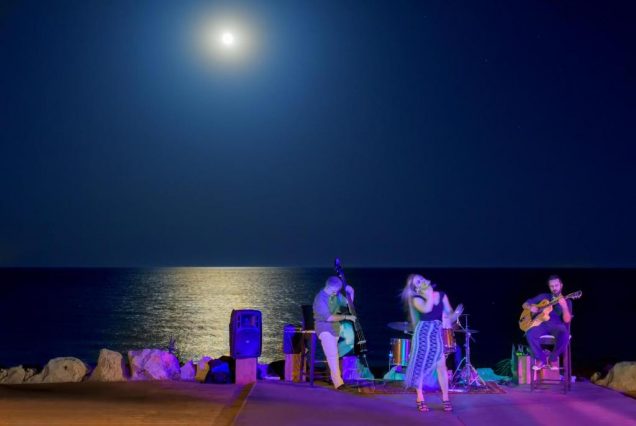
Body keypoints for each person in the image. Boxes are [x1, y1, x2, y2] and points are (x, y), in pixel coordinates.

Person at [402, 274, 463, 412]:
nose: (421, 281)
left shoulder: (442, 295)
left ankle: (446, 398)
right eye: (418, 282)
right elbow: (427, 309)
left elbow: (449, 314)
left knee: (441, 365)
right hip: (423, 334)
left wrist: (455, 314)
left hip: (436, 332)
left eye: (421, 278)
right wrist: (429, 293)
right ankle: (420, 397)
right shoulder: (416, 299)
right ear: (416, 289)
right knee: (420, 367)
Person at [313, 276, 356, 390]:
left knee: (352, 339)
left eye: (337, 291)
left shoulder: (336, 294)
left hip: (337, 327)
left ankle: (337, 358)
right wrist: (346, 317)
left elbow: (348, 305)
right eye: (334, 291)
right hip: (324, 328)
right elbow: (329, 318)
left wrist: (352, 292)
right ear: (328, 287)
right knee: (332, 355)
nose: (336, 293)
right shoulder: (320, 299)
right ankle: (338, 383)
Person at [523, 275, 572, 371]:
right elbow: (525, 304)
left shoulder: (567, 301)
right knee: (530, 334)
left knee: (565, 335)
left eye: (556, 285)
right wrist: (530, 307)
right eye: (551, 286)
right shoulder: (544, 296)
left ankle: (552, 358)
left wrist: (564, 307)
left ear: (561, 285)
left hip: (557, 326)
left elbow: (567, 320)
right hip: (542, 325)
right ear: (549, 287)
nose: (554, 288)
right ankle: (541, 359)